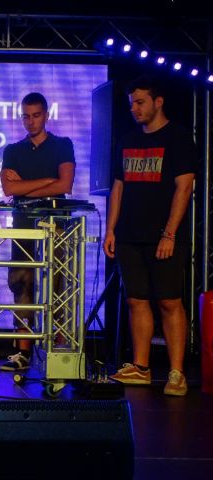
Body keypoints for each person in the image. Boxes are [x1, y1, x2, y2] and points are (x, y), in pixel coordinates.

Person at [103, 75, 196, 396]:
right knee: (136, 299)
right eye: (132, 104)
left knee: (169, 301)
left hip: (165, 235)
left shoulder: (178, 138)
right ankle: (141, 368)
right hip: (130, 234)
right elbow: (118, 187)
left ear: (158, 102)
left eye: (140, 102)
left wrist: (169, 233)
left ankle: (176, 372)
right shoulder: (127, 139)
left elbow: (184, 187)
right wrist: (111, 229)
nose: (134, 109)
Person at [0, 92, 76, 371]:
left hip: (56, 225)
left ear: (46, 115)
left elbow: (65, 185)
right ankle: (23, 351)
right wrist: (47, 181)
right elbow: (9, 189)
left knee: (57, 286)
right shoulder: (13, 150)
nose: (30, 121)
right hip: (23, 224)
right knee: (21, 283)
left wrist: (27, 186)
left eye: (36, 115)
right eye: (25, 116)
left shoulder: (62, 145)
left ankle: (57, 351)